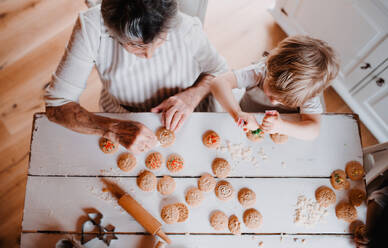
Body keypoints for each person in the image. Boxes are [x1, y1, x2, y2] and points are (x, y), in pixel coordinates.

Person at [45, 0, 227, 154]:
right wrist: (113, 129)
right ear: (112, 31)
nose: (149, 55)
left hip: (186, 117)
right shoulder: (92, 28)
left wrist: (192, 96)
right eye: (135, 46)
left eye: (161, 40)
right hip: (121, 116)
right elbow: (56, 106)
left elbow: (221, 73)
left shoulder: (186, 26)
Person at [210, 35, 339, 140]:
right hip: (249, 114)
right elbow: (219, 82)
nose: (273, 102)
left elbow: (313, 130)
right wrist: (237, 113)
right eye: (271, 94)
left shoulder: (308, 93)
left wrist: (282, 127)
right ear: (269, 69)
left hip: (290, 129)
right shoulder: (260, 71)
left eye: (284, 101)